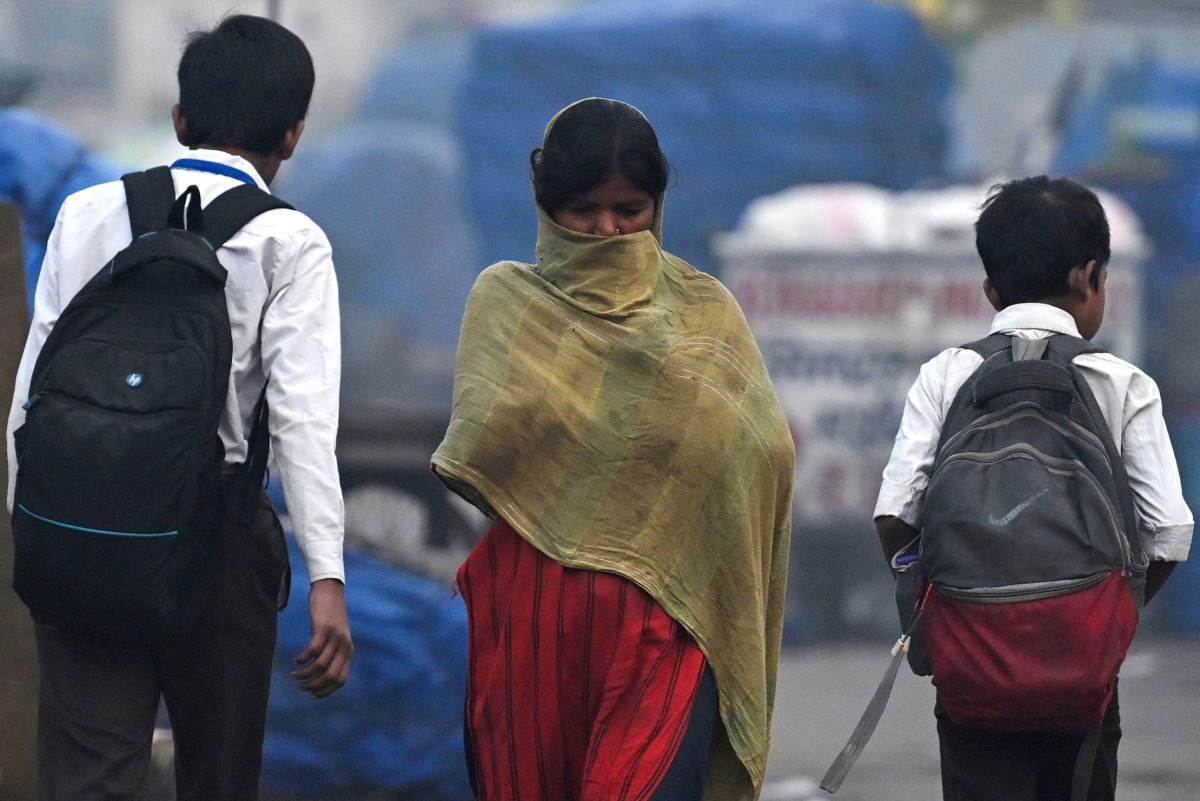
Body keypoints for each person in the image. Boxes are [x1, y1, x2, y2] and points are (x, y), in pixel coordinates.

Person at [4, 15, 352, 801]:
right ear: (292, 135)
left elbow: (32, 394)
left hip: (81, 520)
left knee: (87, 774)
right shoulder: (290, 244)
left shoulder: (88, 214)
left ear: (180, 119)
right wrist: (326, 577)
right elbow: (302, 421)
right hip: (217, 538)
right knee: (216, 772)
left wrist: (36, 525)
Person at [431, 98, 795, 801]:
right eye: (583, 209)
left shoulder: (705, 311)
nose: (608, 230)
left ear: (656, 206)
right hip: (532, 624)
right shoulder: (507, 302)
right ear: (546, 203)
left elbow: (763, 454)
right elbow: (482, 440)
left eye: (629, 209)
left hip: (667, 625)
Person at [874, 176, 1193, 801]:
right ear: (1090, 277)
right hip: (1084, 669)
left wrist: (937, 606)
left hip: (972, 666)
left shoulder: (947, 374)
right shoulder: (1122, 384)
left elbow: (894, 515)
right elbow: (1171, 533)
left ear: (991, 289)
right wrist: (1106, 613)